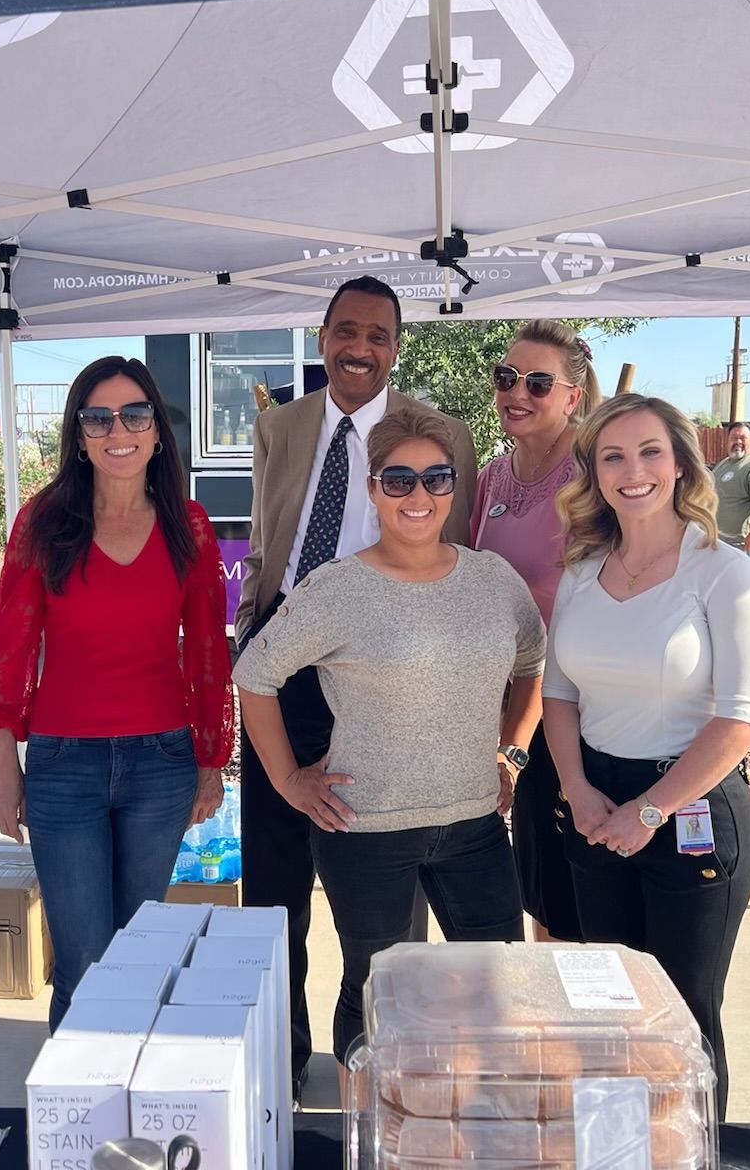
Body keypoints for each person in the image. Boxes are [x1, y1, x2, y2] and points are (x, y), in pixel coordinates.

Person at [234, 410, 542, 1066]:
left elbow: (533, 662)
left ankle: (478, 1126)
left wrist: (512, 751)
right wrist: (290, 779)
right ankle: (372, 1132)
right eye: (398, 480)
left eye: (436, 478)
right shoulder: (335, 589)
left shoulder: (493, 581)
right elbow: (254, 675)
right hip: (365, 833)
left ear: (455, 487)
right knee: (377, 995)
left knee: (497, 989)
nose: (419, 496)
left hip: (475, 827)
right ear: (373, 490)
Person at [232, 275, 476, 1095]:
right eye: (344, 330)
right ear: (324, 336)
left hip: (383, 677)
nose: (358, 346)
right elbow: (269, 536)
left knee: (383, 885)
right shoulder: (282, 424)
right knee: (272, 886)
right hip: (283, 666)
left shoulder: (440, 436)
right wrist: (255, 619)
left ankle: (378, 1060)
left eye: (376, 333)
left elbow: (455, 555)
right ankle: (277, 1059)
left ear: (396, 347)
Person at [0, 356, 233, 1030]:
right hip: (65, 768)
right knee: (84, 959)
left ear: (155, 430)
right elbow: (8, 653)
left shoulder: (190, 525)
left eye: (134, 413)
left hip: (162, 764)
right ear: (80, 434)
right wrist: (6, 769)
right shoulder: (44, 522)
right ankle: (76, 1121)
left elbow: (209, 653)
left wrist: (211, 764)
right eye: (98, 416)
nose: (118, 429)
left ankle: (133, 1106)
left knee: (140, 947)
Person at [541, 394, 750, 1120]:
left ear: (680, 464)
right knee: (611, 1015)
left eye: (649, 452)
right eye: (612, 455)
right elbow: (558, 695)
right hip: (595, 807)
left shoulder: (724, 573)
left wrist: (651, 810)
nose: (632, 470)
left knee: (683, 1024)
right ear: (594, 472)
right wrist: (577, 787)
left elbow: (741, 721)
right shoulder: (582, 569)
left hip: (688, 807)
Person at [470, 319, 600, 944]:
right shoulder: (493, 476)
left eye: (538, 383)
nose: (516, 392)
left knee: (572, 886)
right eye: (506, 378)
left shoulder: (596, 473)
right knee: (537, 881)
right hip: (503, 703)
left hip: (576, 710)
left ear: (573, 395)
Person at [711, 422, 750, 564]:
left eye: (742, 438)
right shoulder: (723, 465)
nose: (738, 442)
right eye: (734, 437)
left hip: (743, 543)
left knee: (744, 584)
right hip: (722, 540)